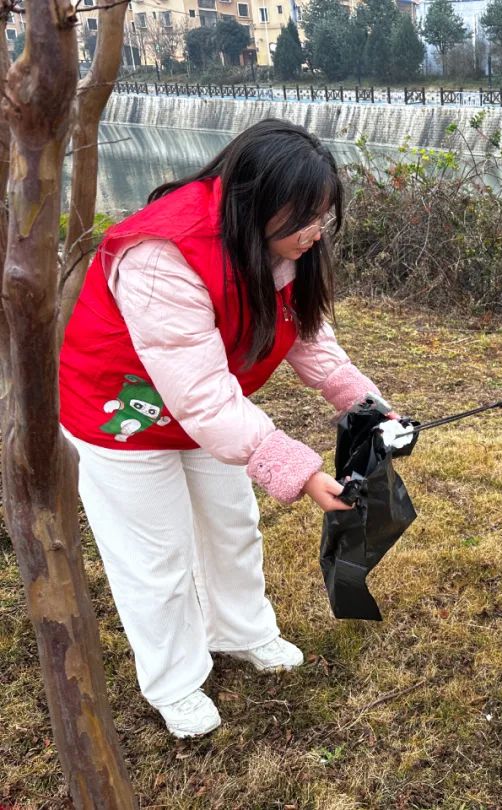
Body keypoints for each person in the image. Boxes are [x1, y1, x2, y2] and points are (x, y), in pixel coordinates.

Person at [59, 119, 390, 739]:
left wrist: (363, 402)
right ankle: (175, 681)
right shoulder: (164, 253)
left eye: (323, 214)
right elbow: (200, 391)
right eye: (303, 217)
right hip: (123, 418)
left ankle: (240, 631)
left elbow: (307, 334)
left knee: (231, 525)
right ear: (253, 200)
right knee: (156, 558)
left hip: (213, 412)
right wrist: (297, 468)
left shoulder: (283, 246)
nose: (315, 231)